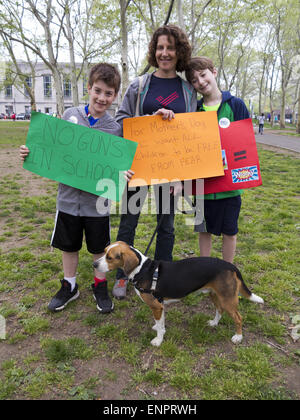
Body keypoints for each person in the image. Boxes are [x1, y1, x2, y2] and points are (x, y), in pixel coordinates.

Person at [20, 63, 133, 314]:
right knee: (68, 246)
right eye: (98, 91)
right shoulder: (70, 116)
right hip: (68, 201)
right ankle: (69, 285)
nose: (102, 98)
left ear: (115, 96)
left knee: (97, 248)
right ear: (89, 89)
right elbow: (53, 150)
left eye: (109, 93)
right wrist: (32, 153)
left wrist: (121, 173)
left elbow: (116, 166)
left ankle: (99, 286)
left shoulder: (115, 130)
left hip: (97, 205)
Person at [112, 24, 197, 299]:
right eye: (160, 47)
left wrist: (185, 177)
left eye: (170, 47)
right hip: (139, 166)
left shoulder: (187, 91)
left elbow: (194, 133)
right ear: (154, 51)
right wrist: (147, 122)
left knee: (167, 225)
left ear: (179, 51)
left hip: (170, 171)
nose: (165, 53)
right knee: (129, 221)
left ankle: (162, 277)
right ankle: (122, 275)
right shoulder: (139, 85)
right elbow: (120, 121)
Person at [185, 56, 250, 263]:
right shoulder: (193, 109)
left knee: (229, 231)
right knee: (203, 230)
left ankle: (227, 273)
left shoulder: (236, 105)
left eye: (203, 75)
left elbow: (245, 143)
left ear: (213, 72)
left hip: (229, 187)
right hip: (203, 186)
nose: (201, 82)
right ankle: (205, 272)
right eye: (194, 80)